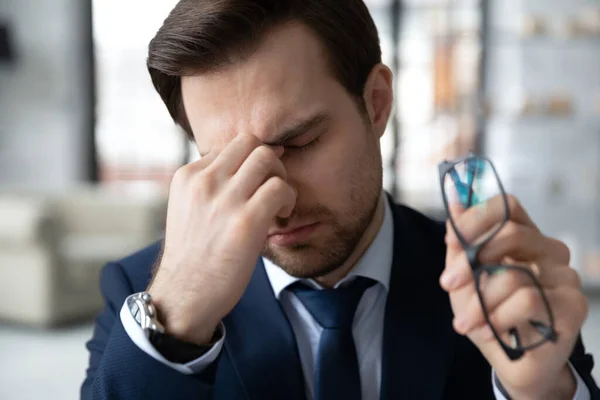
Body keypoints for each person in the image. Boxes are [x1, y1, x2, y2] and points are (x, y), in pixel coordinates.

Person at [81, 0, 600, 399]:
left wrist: (542, 391)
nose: (275, 203)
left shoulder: (502, 281)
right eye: (229, 164)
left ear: (375, 105)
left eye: (301, 142)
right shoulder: (143, 293)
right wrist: (174, 324)